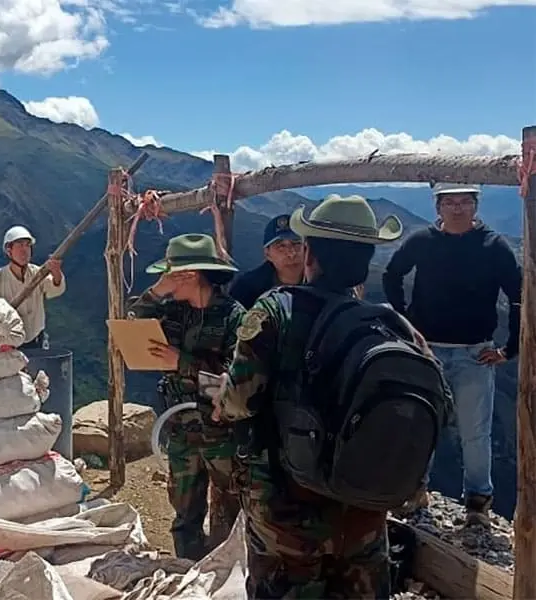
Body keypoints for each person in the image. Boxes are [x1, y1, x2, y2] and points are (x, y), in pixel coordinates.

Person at [212, 194, 449, 599]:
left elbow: (238, 403)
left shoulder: (274, 311)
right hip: (363, 506)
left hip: (284, 507)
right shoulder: (395, 328)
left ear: (309, 254)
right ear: (364, 262)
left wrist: (220, 398)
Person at [382, 182, 522, 525]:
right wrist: (404, 321)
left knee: (475, 432)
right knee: (421, 424)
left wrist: (510, 348)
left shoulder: (495, 245)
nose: (457, 208)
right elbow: (392, 274)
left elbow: (519, 295)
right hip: (427, 349)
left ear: (475, 206)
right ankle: (417, 489)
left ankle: (477, 502)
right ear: (438, 207)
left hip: (475, 352)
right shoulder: (421, 240)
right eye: (449, 202)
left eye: (464, 202)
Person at [126, 233, 246, 561]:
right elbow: (130, 326)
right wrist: (155, 293)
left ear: (188, 275)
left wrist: (182, 363)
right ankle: (189, 574)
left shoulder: (235, 317)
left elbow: (237, 385)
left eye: (169, 275)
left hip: (221, 434)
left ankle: (228, 581)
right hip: (181, 429)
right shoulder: (173, 312)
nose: (164, 280)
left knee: (230, 512)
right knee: (184, 514)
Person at [0, 226, 65, 349]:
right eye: (20, 245)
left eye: (27, 245)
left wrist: (56, 272)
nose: (25, 250)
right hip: (9, 344)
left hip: (36, 341)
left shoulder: (38, 273)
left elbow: (55, 289)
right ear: (9, 250)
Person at [229, 214, 303, 308]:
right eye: (281, 246)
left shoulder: (322, 282)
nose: (291, 253)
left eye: (296, 243)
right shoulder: (247, 288)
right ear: (267, 254)